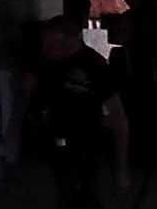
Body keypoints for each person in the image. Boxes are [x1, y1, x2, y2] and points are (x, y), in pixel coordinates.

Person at [21, 14, 126, 209]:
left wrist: (121, 169)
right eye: (44, 45)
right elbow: (27, 93)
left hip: (88, 140)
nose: (46, 50)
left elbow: (117, 115)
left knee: (88, 192)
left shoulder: (94, 65)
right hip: (52, 137)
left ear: (69, 41)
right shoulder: (43, 62)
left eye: (52, 45)